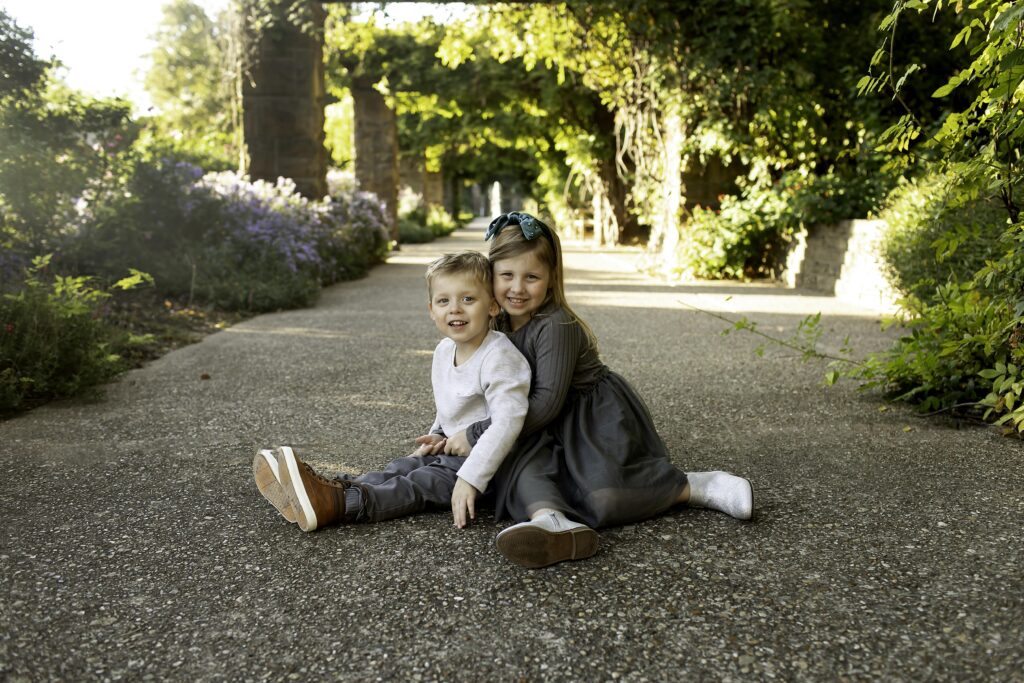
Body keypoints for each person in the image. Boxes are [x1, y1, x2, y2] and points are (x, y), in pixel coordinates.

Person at [433, 212, 753, 568]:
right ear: (491, 277)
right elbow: (473, 381)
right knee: (523, 472)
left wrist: (477, 433)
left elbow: (547, 403)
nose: (517, 288)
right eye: (506, 275)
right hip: (531, 421)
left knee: (604, 499)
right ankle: (550, 521)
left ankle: (693, 487)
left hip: (585, 417)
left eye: (532, 277)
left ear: (552, 279)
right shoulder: (494, 320)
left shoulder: (556, 325)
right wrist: (444, 430)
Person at [252, 250, 531, 532]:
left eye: (468, 299)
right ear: (431, 310)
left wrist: (471, 479)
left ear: (493, 306)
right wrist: (439, 432)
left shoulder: (500, 357)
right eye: (444, 301)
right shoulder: (444, 350)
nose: (455, 309)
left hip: (492, 468)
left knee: (415, 484)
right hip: (452, 452)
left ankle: (340, 504)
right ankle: (324, 490)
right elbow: (453, 402)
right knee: (400, 468)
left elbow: (508, 422)